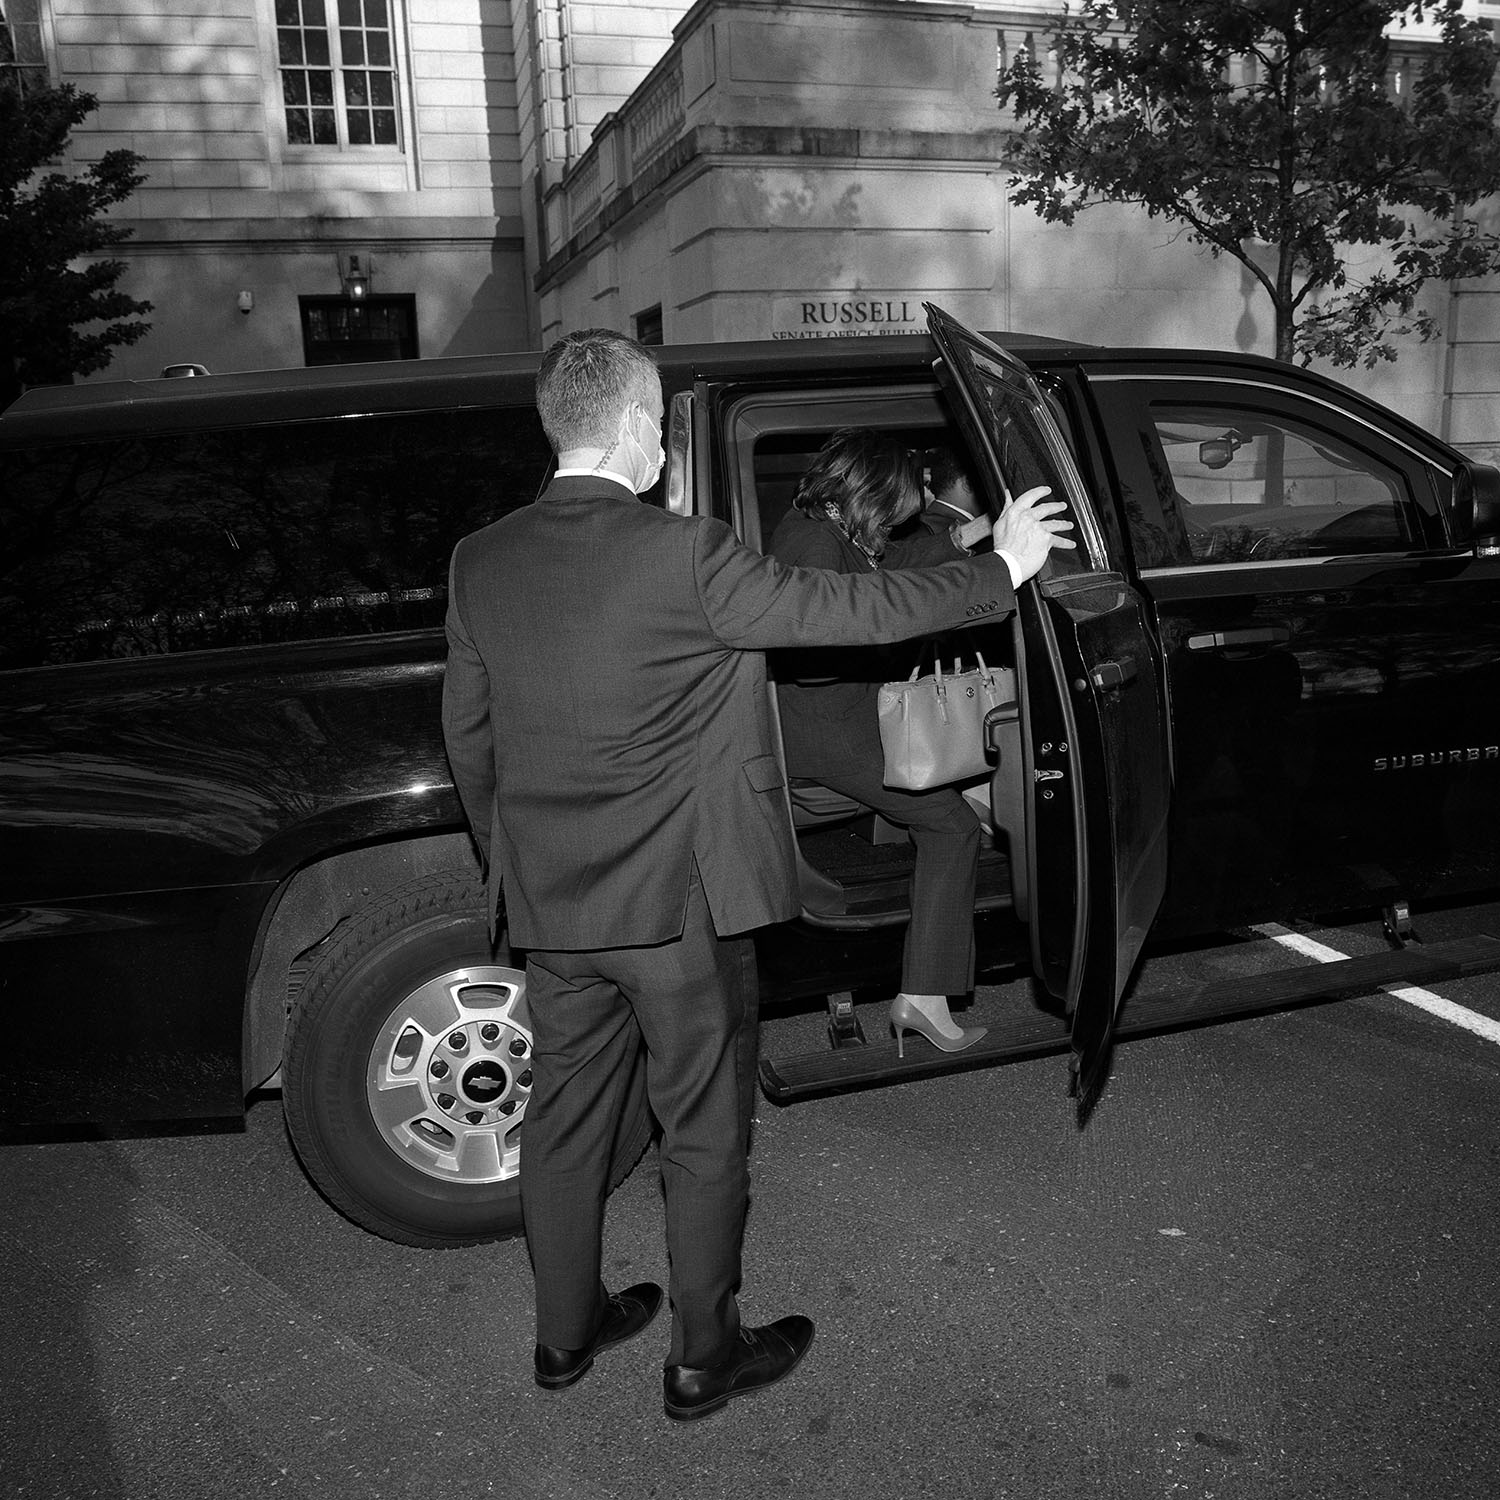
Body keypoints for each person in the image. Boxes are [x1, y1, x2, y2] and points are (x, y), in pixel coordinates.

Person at [441, 331, 1073, 1422]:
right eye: (659, 434)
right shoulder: (684, 552)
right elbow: (850, 613)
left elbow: (470, 738)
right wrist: (1003, 568)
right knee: (701, 1130)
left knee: (561, 1123)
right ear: (640, 430)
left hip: (554, 908)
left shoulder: (479, 559)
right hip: (678, 910)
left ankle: (564, 1337)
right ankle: (701, 1357)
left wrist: (518, 862)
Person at [768, 429, 1019, 1057]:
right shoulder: (813, 543)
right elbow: (822, 641)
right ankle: (924, 998)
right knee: (950, 826)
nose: (894, 527)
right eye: (895, 511)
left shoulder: (824, 529)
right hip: (830, 730)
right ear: (870, 492)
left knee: (953, 805)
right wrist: (890, 632)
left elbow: (886, 571)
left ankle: (926, 993)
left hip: (834, 721)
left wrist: (974, 533)